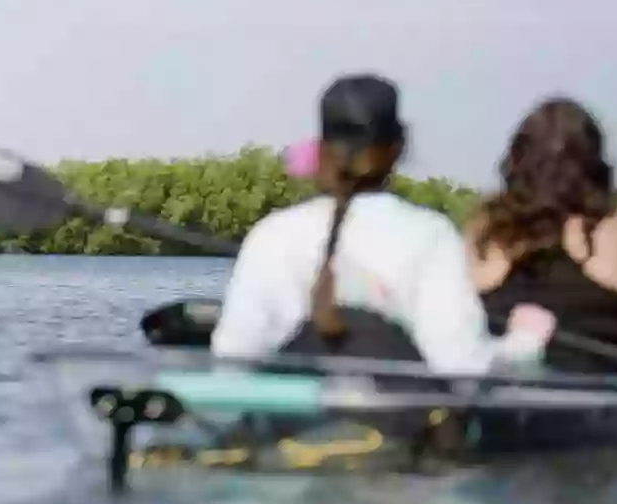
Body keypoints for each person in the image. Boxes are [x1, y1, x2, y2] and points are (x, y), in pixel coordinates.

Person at [211, 73, 556, 377]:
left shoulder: (270, 235)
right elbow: (465, 371)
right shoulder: (430, 236)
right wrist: (524, 344)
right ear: (398, 147)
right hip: (400, 444)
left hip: (283, 444)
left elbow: (230, 368)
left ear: (322, 149)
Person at [464, 96, 617, 372]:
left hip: (504, 405)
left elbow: (458, 330)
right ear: (595, 165)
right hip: (613, 404)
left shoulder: (485, 232)